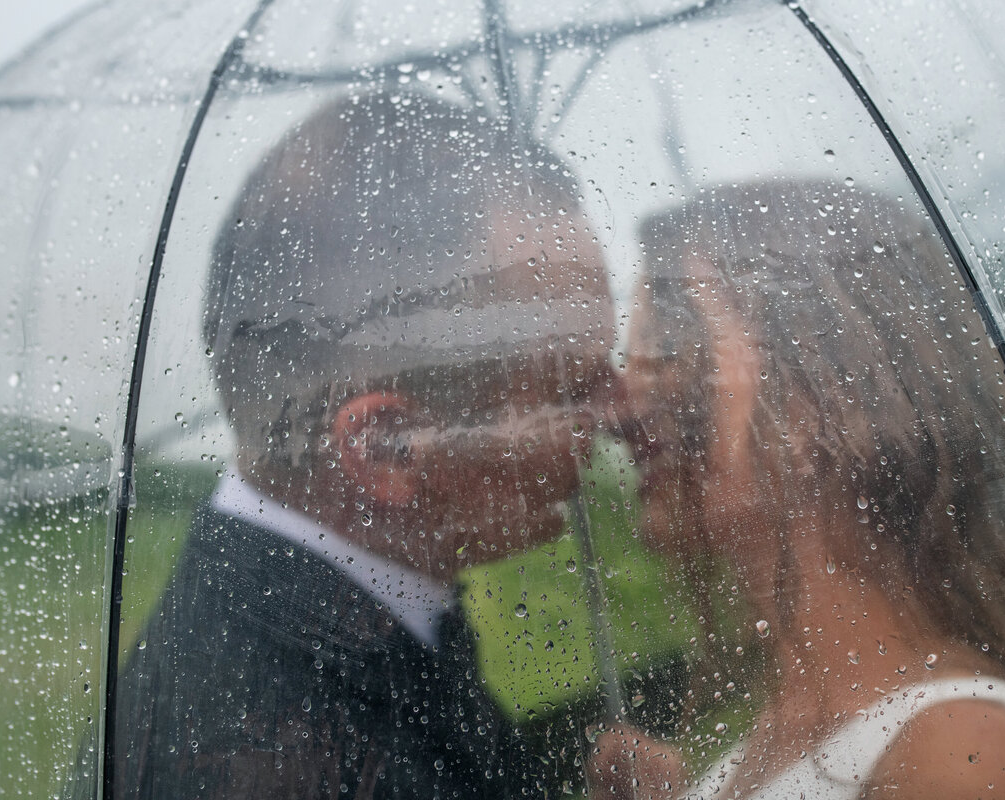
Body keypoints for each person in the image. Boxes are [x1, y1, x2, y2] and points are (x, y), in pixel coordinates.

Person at [110, 92, 623, 799]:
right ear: (387, 446)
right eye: (573, 384)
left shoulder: (315, 617)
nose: (624, 406)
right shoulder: (284, 757)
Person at [625, 180, 1005, 799]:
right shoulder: (769, 742)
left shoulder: (966, 754)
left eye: (668, 348)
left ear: (808, 408)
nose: (621, 398)